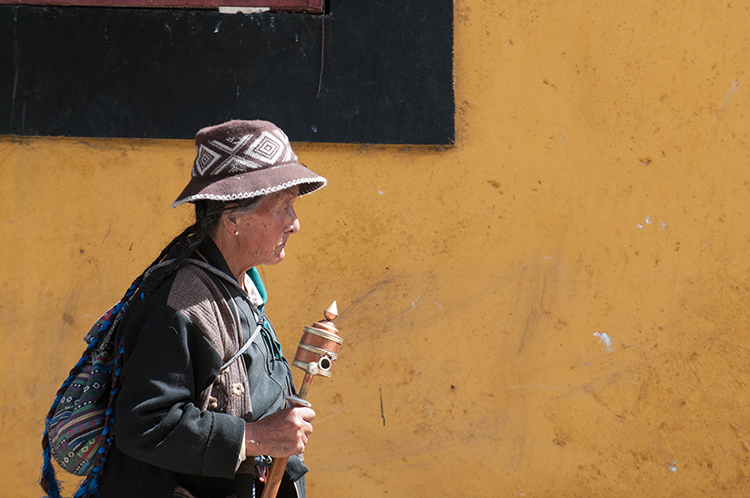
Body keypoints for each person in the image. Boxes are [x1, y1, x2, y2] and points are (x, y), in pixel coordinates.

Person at [97, 120, 328, 498]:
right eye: (283, 206)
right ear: (233, 216)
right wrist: (256, 437)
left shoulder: (239, 287)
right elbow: (144, 424)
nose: (294, 224)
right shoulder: (182, 304)